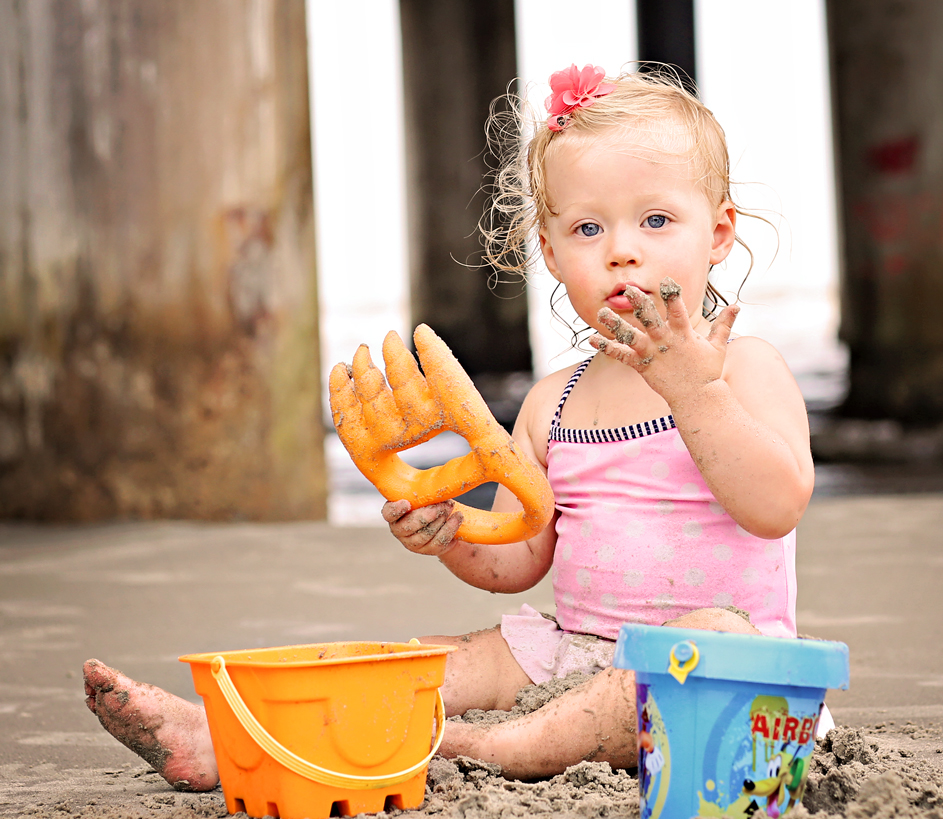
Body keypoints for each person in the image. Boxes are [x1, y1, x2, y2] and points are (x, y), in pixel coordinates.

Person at [83, 64, 815, 789]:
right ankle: (226, 735)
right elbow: (519, 557)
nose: (622, 249)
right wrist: (450, 530)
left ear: (717, 234)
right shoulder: (554, 402)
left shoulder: (743, 369)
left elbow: (776, 503)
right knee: (429, 658)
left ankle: (497, 747)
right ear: (554, 252)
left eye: (656, 220)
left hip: (721, 673)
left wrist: (695, 393)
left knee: (706, 646)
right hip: (572, 655)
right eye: (589, 227)